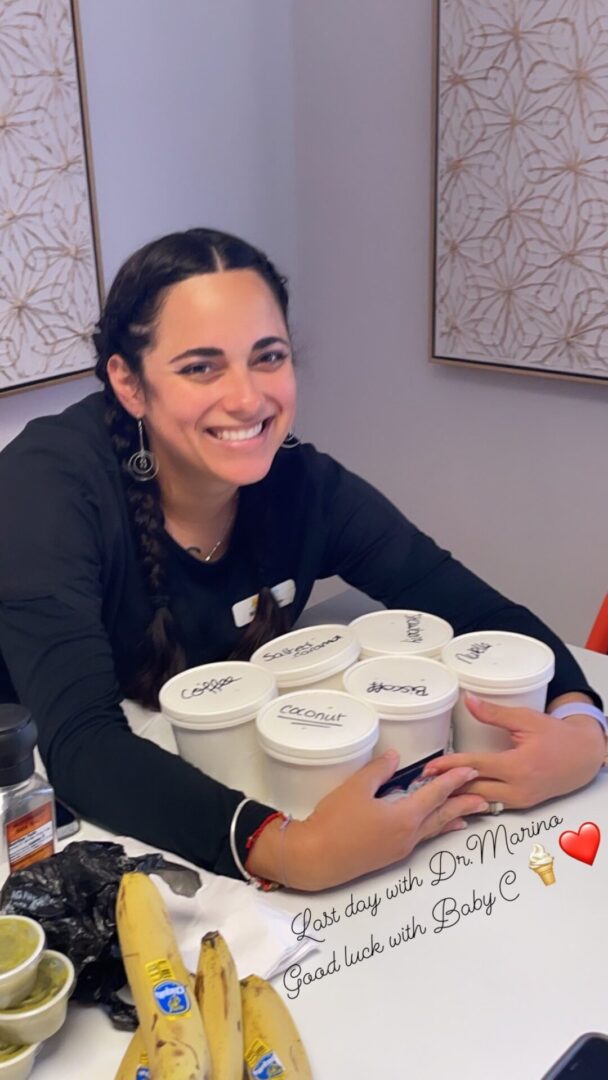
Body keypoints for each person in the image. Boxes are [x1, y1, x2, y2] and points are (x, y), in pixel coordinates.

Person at [0, 228, 604, 892]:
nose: (247, 398)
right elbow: (84, 743)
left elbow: (472, 606)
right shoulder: (44, 485)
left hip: (196, 778)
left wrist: (582, 724)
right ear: (129, 382)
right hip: (37, 813)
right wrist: (290, 849)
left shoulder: (301, 482)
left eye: (268, 356)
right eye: (201, 366)